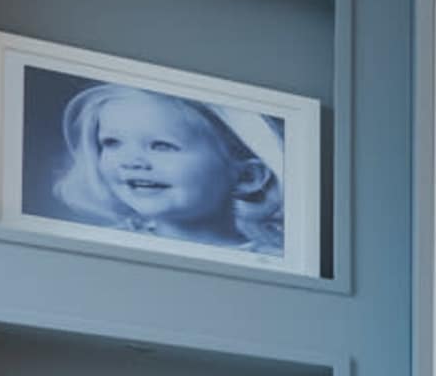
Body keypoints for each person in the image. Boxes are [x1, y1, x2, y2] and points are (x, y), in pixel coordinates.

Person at [48, 82, 288, 259]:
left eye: (161, 146)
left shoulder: (272, 262)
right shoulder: (97, 247)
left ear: (247, 177)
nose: (131, 162)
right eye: (112, 143)